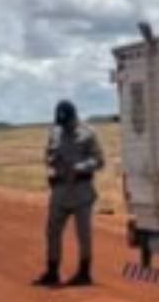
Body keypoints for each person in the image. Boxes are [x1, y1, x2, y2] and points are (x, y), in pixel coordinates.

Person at [32, 100, 105, 287]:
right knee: (52, 232)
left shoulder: (88, 133)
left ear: (74, 117)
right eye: (61, 123)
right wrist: (52, 166)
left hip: (81, 191)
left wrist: (80, 167)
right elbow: (47, 156)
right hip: (60, 190)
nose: (65, 127)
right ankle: (52, 271)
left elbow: (99, 160)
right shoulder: (54, 133)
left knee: (83, 234)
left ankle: (84, 273)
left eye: (67, 122)